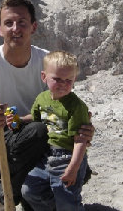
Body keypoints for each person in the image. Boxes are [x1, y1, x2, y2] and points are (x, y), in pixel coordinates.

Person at [0, 0, 95, 209]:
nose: (16, 28)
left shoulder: (48, 65)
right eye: (9, 23)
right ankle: (11, 191)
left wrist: (83, 130)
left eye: (22, 22)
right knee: (38, 131)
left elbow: (67, 110)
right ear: (0, 29)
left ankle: (18, 190)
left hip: (44, 145)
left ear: (33, 27)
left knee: (80, 170)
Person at [21, 51, 90, 210]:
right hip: (45, 155)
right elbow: (35, 118)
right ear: (44, 77)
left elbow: (80, 140)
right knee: (30, 190)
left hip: (67, 156)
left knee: (67, 199)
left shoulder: (76, 106)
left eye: (68, 80)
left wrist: (73, 168)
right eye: (57, 79)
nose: (63, 84)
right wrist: (16, 120)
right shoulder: (42, 98)